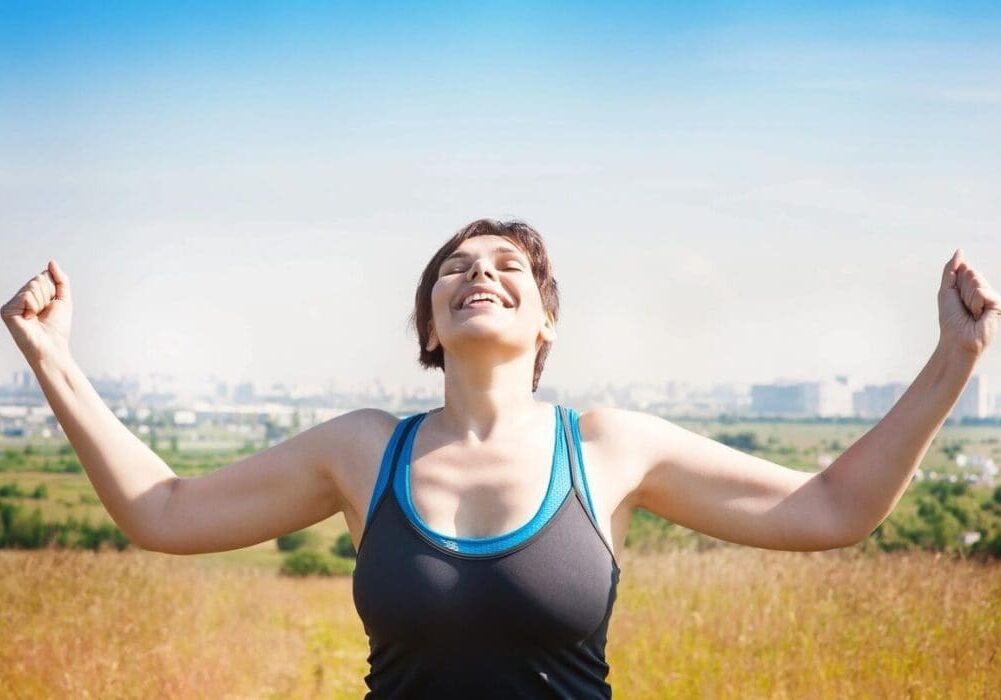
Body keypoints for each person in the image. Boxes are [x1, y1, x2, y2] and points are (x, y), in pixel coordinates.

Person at [3, 218, 999, 698]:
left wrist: (953, 358)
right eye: (453, 268)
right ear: (428, 326)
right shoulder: (362, 449)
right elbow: (166, 511)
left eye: (506, 266)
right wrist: (49, 358)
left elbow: (830, 506)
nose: (478, 272)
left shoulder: (606, 445)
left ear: (545, 319)